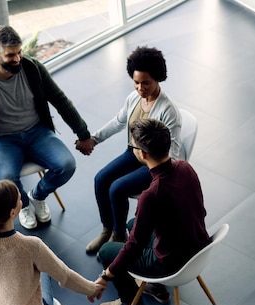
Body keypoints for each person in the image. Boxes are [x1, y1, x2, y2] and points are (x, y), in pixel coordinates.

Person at [0, 25, 93, 230]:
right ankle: (24, 205)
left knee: (67, 165)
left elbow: (60, 99)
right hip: (2, 139)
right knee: (5, 180)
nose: (17, 59)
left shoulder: (33, 68)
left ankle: (37, 196)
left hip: (37, 132)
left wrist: (83, 133)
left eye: (19, 52)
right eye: (11, 55)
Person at [92, 119, 210, 305]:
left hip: (171, 262)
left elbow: (134, 246)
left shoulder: (151, 195)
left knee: (106, 252)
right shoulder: (185, 167)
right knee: (132, 224)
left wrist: (107, 275)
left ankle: (129, 303)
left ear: (142, 153)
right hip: (197, 246)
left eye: (133, 146)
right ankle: (154, 287)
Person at [76, 46, 182, 254]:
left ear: (157, 79)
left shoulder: (169, 112)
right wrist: (94, 140)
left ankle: (119, 235)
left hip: (154, 163)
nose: (140, 88)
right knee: (100, 179)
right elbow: (118, 122)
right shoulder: (134, 98)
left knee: (117, 188)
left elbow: (174, 154)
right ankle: (107, 230)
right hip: (133, 153)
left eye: (146, 83)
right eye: (136, 82)